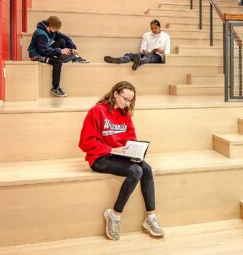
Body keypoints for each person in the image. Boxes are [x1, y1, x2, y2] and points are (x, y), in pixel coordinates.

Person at [78, 81, 164, 241]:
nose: (127, 103)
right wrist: (111, 149)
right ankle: (114, 215)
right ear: (115, 94)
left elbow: (130, 138)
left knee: (146, 168)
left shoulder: (125, 113)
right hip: (99, 157)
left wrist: (134, 151)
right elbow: (85, 143)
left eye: (131, 100)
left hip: (119, 156)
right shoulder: (97, 111)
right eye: (125, 99)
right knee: (136, 170)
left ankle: (150, 217)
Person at [27, 15, 89, 97]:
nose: (57, 31)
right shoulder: (40, 34)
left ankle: (75, 58)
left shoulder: (52, 31)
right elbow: (44, 51)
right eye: (56, 28)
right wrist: (60, 51)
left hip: (46, 51)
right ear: (50, 25)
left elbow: (66, 37)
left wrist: (73, 48)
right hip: (37, 55)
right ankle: (55, 88)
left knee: (61, 40)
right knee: (57, 62)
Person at [103, 19, 171, 71]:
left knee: (148, 57)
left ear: (159, 27)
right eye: (152, 28)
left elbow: (168, 51)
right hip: (146, 54)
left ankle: (139, 61)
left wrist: (162, 51)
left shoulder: (166, 36)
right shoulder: (146, 35)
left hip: (157, 56)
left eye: (155, 28)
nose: (154, 30)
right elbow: (142, 48)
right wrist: (144, 51)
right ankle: (120, 60)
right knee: (131, 55)